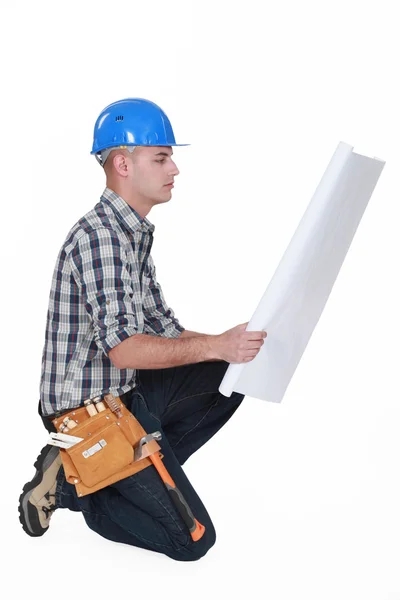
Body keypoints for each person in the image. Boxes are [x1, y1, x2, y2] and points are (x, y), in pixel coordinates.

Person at [18, 98, 267, 561]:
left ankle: (139, 470)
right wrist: (215, 345)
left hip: (124, 397)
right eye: (161, 157)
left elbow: (166, 332)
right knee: (192, 541)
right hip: (85, 416)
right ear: (122, 163)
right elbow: (126, 351)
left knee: (229, 377)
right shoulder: (99, 238)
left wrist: (228, 345)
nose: (175, 168)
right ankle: (77, 484)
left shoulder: (132, 235)